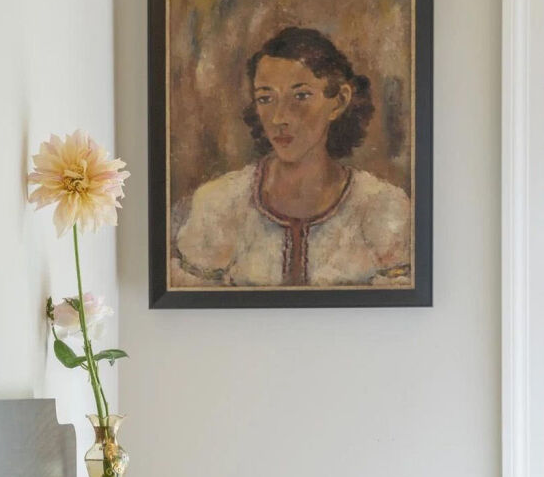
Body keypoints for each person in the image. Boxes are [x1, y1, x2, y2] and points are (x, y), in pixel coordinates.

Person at [174, 27, 411, 288]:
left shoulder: (381, 207)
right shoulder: (219, 204)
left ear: (339, 100)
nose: (279, 118)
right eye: (265, 98)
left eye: (300, 96)